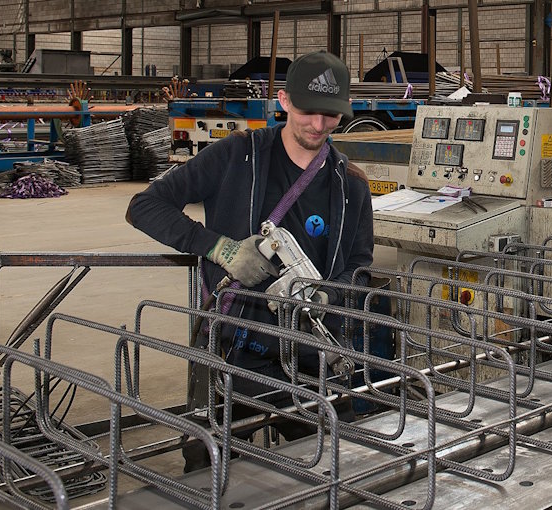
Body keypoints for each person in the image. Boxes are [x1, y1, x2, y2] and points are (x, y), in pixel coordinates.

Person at [126, 50, 374, 471]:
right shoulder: (238, 157)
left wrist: (330, 295)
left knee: (331, 466)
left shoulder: (350, 185)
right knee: (212, 464)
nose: (318, 126)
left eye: (330, 116)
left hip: (311, 354)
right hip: (234, 348)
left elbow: (359, 263)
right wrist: (220, 248)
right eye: (309, 112)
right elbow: (145, 206)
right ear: (283, 101)